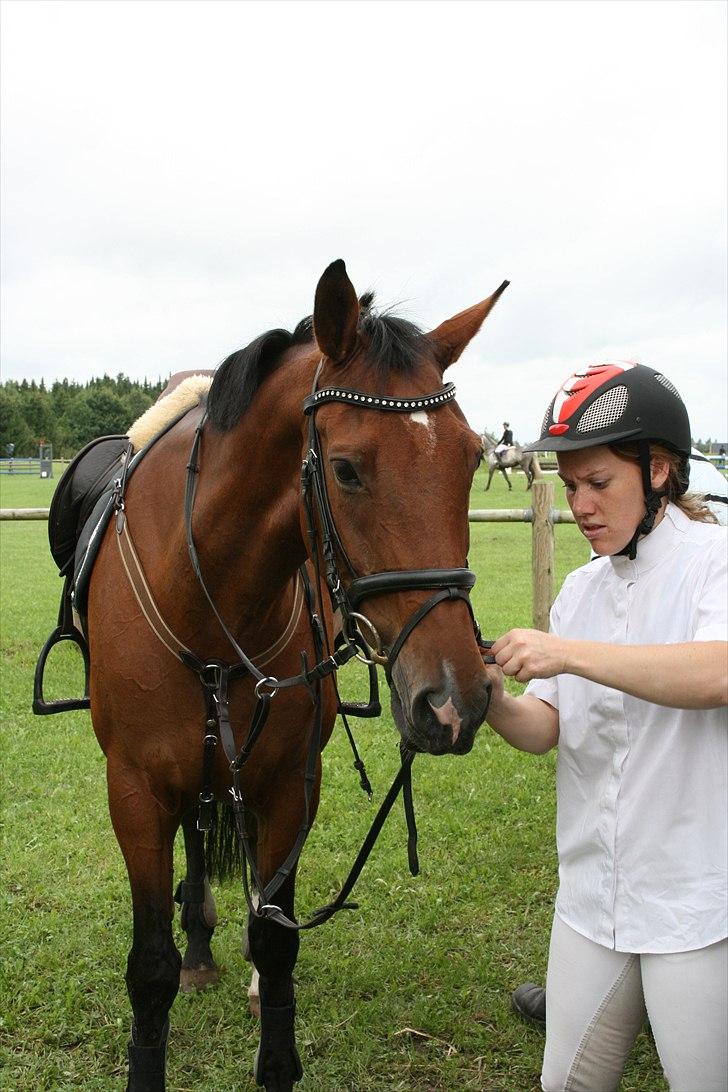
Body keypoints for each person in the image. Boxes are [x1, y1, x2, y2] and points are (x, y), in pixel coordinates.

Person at [482, 361, 727, 1092]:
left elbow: (717, 674)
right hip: (589, 895)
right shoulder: (582, 589)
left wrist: (566, 653)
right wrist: (493, 698)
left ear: (658, 471)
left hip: (693, 901)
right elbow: (544, 727)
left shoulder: (714, 563)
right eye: (569, 484)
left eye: (598, 483)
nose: (579, 505)